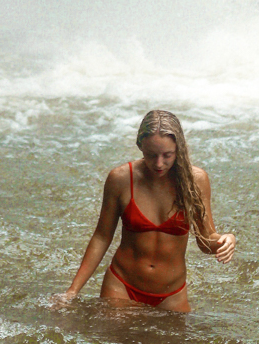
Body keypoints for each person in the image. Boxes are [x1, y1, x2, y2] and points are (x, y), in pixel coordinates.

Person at [61, 109, 236, 312]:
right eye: (151, 155)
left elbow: (205, 241)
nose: (159, 163)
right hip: (121, 286)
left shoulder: (196, 181)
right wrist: (72, 291)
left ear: (179, 149)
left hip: (172, 294)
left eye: (167, 155)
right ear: (139, 146)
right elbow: (101, 237)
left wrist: (225, 239)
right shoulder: (121, 179)